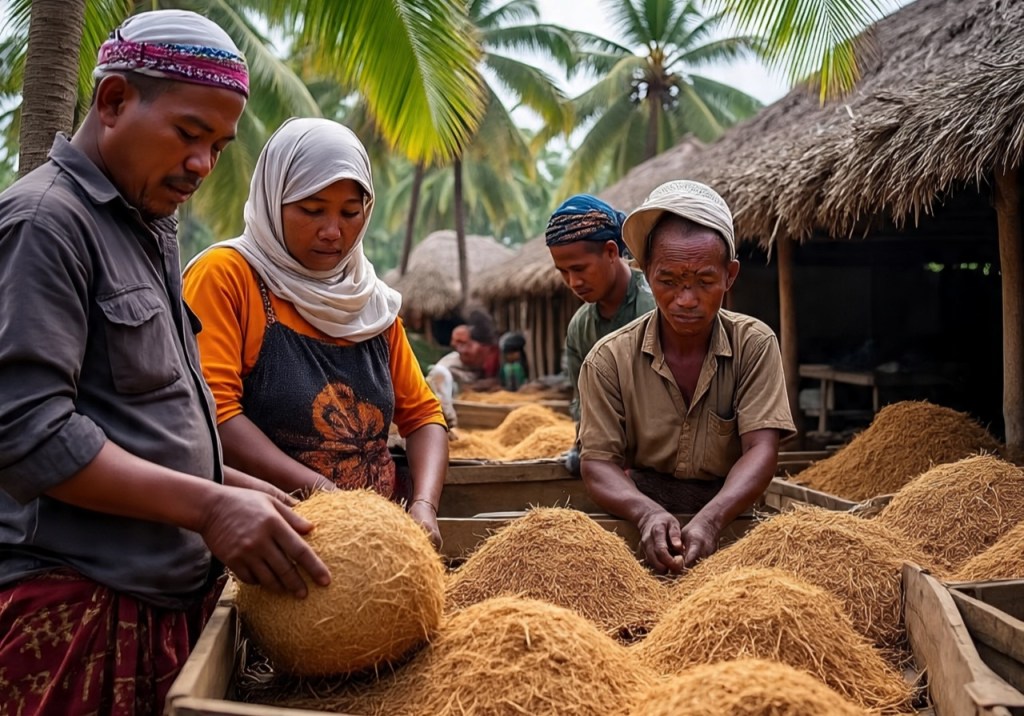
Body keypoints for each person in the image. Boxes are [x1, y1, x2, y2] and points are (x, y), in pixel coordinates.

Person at [0, 11, 329, 714]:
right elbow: (28, 434)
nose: (203, 165)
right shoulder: (45, 224)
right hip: (72, 612)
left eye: (218, 144)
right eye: (188, 134)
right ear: (113, 101)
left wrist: (241, 488)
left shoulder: (148, 227)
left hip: (161, 606)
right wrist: (210, 506)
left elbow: (138, 422)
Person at [182, 117, 447, 547]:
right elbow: (215, 417)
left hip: (377, 539)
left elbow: (423, 417)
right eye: (311, 210)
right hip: (271, 538)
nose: (332, 232)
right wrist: (329, 498)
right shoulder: (228, 277)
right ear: (273, 199)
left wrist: (423, 506)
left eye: (349, 213)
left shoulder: (370, 302)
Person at [577, 180, 795, 575]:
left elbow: (761, 450)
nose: (686, 299)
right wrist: (646, 515)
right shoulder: (608, 360)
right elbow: (598, 464)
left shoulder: (755, 345)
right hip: (635, 524)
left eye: (704, 282)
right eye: (669, 281)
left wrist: (712, 520)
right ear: (646, 276)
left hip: (733, 519)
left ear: (730, 276)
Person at [545, 194, 656, 474]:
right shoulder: (580, 327)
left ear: (610, 252)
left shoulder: (654, 308)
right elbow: (582, 401)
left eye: (580, 269)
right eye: (563, 272)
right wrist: (585, 446)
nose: (573, 282)